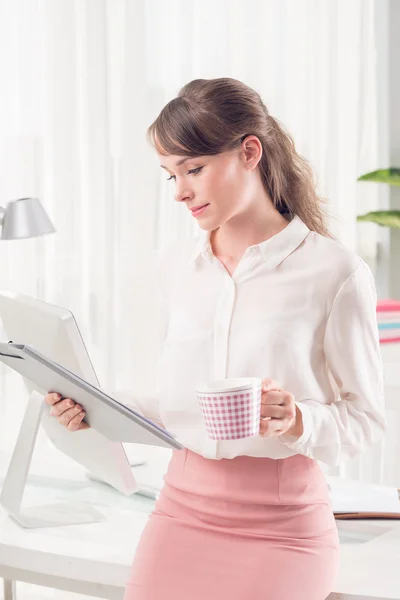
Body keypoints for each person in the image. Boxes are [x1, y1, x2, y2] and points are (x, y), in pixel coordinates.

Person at [45, 77, 387, 600]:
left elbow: (364, 420)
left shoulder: (334, 272)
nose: (181, 191)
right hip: (179, 513)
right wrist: (94, 406)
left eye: (194, 169)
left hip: (284, 531)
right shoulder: (178, 269)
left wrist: (297, 419)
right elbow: (178, 407)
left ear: (250, 152)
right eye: (171, 175)